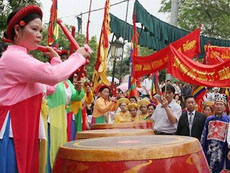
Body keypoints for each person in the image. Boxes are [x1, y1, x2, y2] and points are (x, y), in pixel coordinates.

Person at [0, 5, 90, 173]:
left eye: (40, 30)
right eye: (34, 29)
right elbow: (53, 76)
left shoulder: (23, 59)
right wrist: (77, 56)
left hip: (24, 128)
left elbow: (49, 87)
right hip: (11, 130)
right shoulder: (14, 57)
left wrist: (56, 61)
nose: (39, 35)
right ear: (18, 30)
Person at [201, 94, 230, 173]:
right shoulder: (209, 119)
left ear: (225, 107)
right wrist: (202, 149)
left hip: (223, 150)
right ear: (214, 106)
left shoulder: (228, 120)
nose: (219, 106)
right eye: (217, 104)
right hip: (209, 150)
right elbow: (204, 136)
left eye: (221, 104)